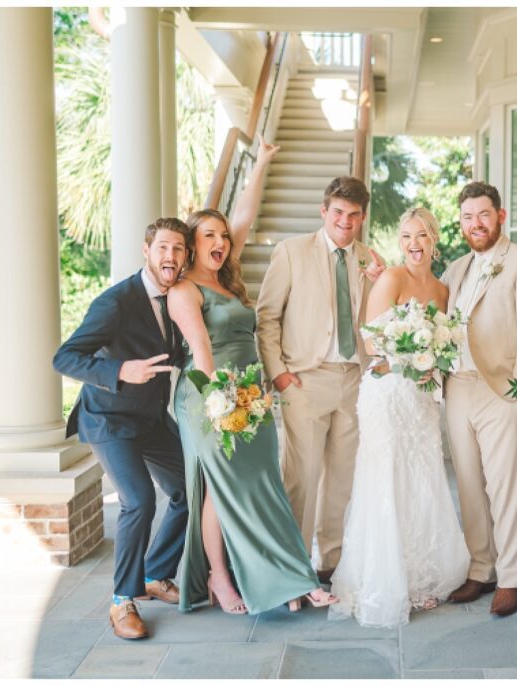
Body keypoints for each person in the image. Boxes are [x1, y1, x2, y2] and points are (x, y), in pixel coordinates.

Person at [167, 140, 335, 615]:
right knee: (226, 486)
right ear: (190, 245)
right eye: (208, 237)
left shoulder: (225, 276)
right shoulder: (185, 289)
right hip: (209, 395)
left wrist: (261, 162)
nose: (220, 243)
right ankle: (225, 579)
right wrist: (221, 403)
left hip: (248, 394)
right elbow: (201, 351)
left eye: (224, 236)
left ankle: (276, 576)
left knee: (258, 483)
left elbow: (245, 214)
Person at [329, 208, 470, 628]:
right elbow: (372, 343)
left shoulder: (443, 290)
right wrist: (413, 359)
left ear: (434, 239)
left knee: (422, 476)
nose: (414, 243)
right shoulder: (391, 278)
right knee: (386, 477)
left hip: (421, 397)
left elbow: (445, 344)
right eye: (407, 235)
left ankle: (419, 575)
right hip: (387, 393)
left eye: (422, 235)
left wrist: (433, 363)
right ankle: (381, 577)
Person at [53, 218, 191, 640]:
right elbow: (65, 357)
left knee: (191, 486)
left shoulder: (179, 297)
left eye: (179, 249)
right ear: (147, 251)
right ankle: (121, 601)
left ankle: (154, 574)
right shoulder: (117, 301)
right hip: (108, 419)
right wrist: (120, 370)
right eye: (163, 248)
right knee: (138, 500)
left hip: (149, 417)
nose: (171, 256)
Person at [255, 176, 383, 582]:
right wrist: (278, 374)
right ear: (324, 211)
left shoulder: (370, 259)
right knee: (301, 478)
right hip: (305, 380)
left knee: (342, 480)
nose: (346, 221)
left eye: (354, 215)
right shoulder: (291, 252)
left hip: (354, 380)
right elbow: (267, 316)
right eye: (338, 212)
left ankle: (329, 562)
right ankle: (293, 565)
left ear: (362, 218)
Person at [440, 181, 517, 617]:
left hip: (500, 389)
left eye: (483, 215)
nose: (475, 224)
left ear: (500, 216)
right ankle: (480, 567)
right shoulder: (455, 268)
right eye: (467, 217)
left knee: (504, 486)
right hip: (457, 386)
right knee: (467, 482)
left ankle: (511, 578)